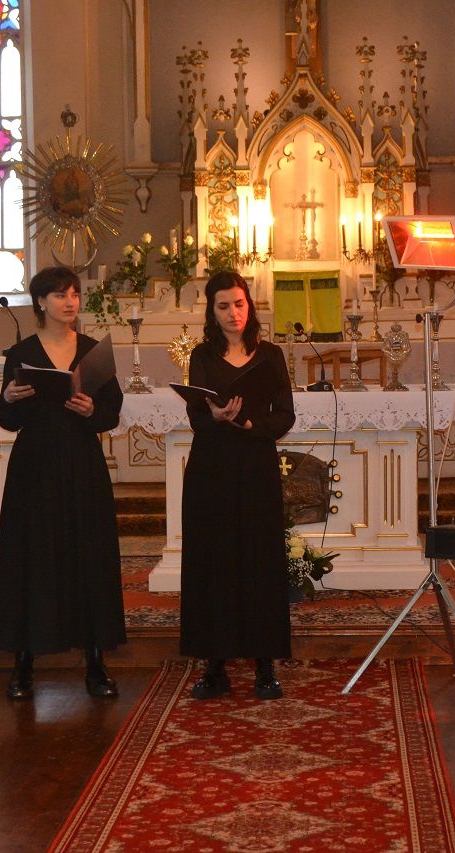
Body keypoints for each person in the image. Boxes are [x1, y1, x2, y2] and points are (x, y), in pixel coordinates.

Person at [0, 266, 126, 700]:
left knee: (89, 557)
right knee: (33, 557)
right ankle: (23, 663)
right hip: (35, 467)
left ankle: (96, 663)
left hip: (82, 462)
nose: (70, 302)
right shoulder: (22, 353)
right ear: (40, 302)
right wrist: (8, 399)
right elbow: (8, 419)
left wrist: (92, 412)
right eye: (61, 295)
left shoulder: (92, 351)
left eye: (75, 294)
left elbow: (112, 411)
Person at [181, 271, 297, 701]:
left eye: (240, 304)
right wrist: (213, 416)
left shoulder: (271, 355)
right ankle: (215, 665)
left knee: (259, 559)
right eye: (224, 306)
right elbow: (196, 415)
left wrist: (251, 425)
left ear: (250, 306)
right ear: (212, 312)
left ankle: (265, 665)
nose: (233, 313)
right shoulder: (202, 355)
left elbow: (285, 414)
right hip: (211, 467)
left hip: (255, 466)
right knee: (213, 560)